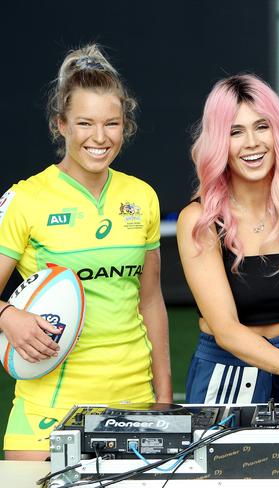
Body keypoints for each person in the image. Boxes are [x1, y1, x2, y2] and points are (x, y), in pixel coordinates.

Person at [0, 45, 171, 460]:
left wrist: (163, 396)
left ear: (125, 125)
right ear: (61, 124)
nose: (100, 137)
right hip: (49, 404)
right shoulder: (26, 199)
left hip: (132, 398)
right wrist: (9, 317)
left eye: (112, 123)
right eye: (84, 123)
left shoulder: (141, 196)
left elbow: (150, 300)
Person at [177, 75, 279, 409]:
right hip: (226, 367)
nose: (251, 143)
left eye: (262, 127)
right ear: (219, 142)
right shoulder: (200, 220)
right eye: (235, 132)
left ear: (278, 133)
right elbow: (226, 329)